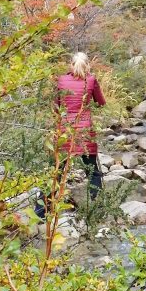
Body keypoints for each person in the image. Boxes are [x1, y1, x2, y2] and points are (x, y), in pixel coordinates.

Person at [35, 52, 106, 219]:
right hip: (85, 132)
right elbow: (101, 102)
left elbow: (55, 107)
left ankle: (41, 212)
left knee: (56, 172)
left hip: (64, 132)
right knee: (93, 171)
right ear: (88, 65)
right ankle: (96, 208)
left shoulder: (61, 80)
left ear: (71, 65)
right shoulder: (91, 80)